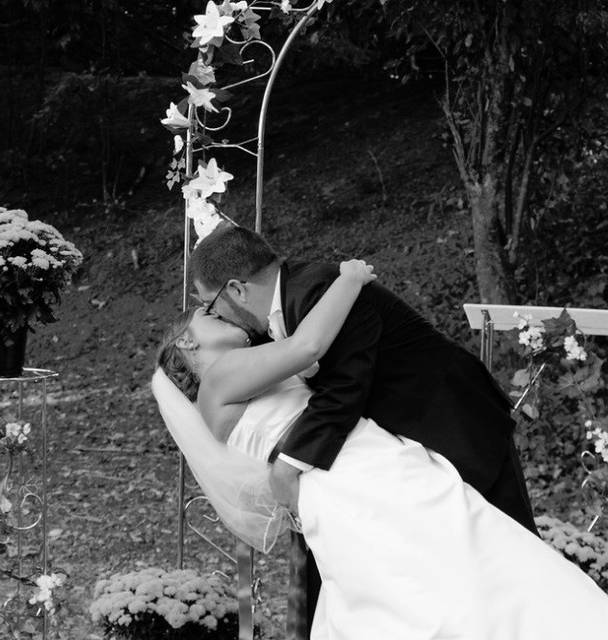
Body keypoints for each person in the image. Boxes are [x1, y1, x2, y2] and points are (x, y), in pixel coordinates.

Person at [154, 259, 608, 640]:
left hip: (363, 463)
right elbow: (307, 348)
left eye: (210, 302)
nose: (210, 311)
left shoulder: (246, 366)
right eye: (202, 314)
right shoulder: (217, 380)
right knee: (438, 574)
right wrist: (348, 277)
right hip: (346, 477)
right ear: (189, 347)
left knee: (432, 570)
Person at [187, 224, 537, 620]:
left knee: (514, 558)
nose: (213, 314)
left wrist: (287, 467)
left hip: (457, 423)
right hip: (387, 447)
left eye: (210, 304)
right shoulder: (289, 306)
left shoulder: (317, 291)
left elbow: (342, 391)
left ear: (236, 289)